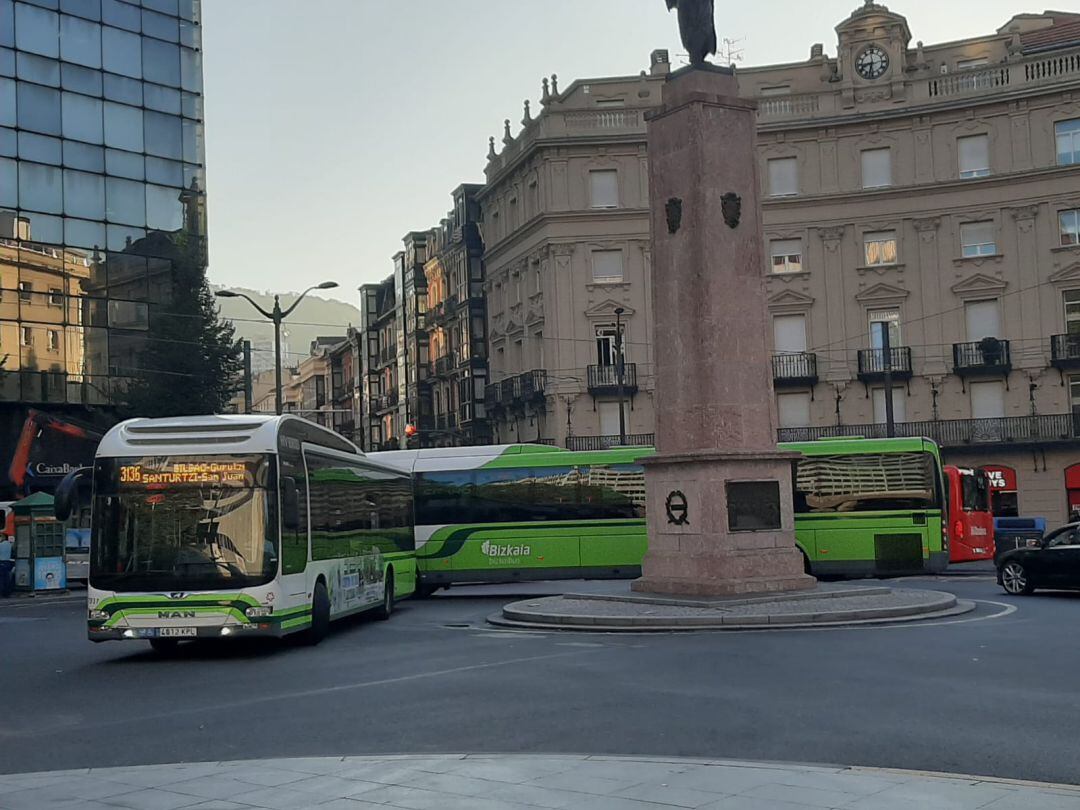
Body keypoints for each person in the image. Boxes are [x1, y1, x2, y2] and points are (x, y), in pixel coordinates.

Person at [0, 532, 14, 598]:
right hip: (8, 562)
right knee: (7, 578)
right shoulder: (10, 545)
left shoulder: (1, 545)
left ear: (3, 537)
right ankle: (7, 593)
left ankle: (2, 592)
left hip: (1, 562)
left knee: (1, 578)